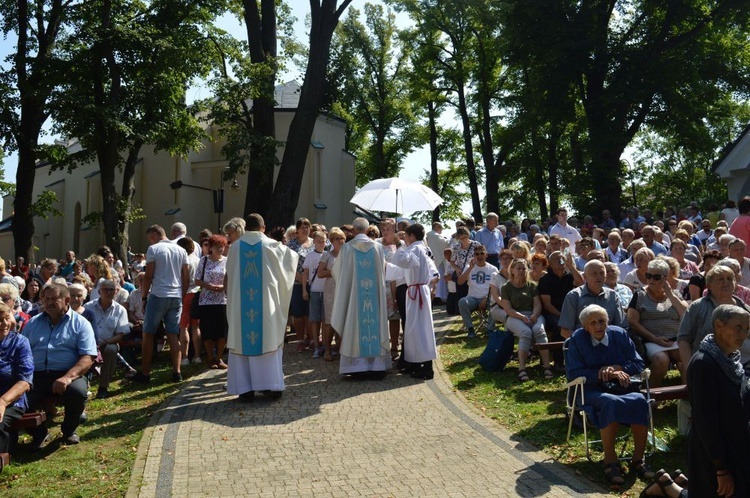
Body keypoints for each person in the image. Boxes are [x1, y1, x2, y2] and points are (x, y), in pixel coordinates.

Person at [566, 305, 654, 485]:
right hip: (591, 389)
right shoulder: (577, 339)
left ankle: (638, 459)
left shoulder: (620, 334)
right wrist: (601, 373)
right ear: (586, 327)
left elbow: (638, 362)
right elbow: (574, 373)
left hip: (621, 387)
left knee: (639, 400)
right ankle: (610, 460)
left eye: (602, 321)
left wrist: (617, 368)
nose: (599, 326)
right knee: (609, 402)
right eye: (593, 323)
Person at [225, 213, 297, 402]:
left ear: (246, 228)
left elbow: (230, 277)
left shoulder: (234, 248)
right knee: (268, 339)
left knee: (243, 341)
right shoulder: (272, 246)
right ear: (263, 227)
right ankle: (270, 387)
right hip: (266, 306)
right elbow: (292, 260)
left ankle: (245, 389)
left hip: (242, 307)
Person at [685, 304, 750, 498]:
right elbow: (706, 420)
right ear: (719, 326)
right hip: (713, 455)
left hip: (738, 448)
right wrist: (720, 469)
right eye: (738, 327)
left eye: (747, 329)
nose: (744, 333)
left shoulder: (733, 362)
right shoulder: (704, 363)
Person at [24, 283, 97, 447]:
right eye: (46, 298)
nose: (48, 303)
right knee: (18, 397)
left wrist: (68, 377)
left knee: (77, 391)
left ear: (66, 300)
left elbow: (88, 356)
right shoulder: (32, 323)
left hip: (68, 372)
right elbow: (22, 353)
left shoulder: (81, 323)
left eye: (54, 299)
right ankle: (40, 433)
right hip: (37, 374)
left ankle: (69, 430)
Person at [128, 225, 189, 384]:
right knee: (173, 335)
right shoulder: (181, 250)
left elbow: (148, 276)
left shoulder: (153, 249)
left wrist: (143, 298)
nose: (150, 240)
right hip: (175, 296)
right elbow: (186, 276)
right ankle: (177, 372)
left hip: (158, 294)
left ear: (154, 234)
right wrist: (180, 296)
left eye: (150, 237)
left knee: (148, 333)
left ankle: (146, 373)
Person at [331, 218, 391, 377]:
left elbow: (337, 273)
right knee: (375, 325)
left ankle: (356, 368)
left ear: (354, 231)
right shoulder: (378, 248)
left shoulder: (347, 249)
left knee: (354, 327)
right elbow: (383, 272)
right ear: (366, 229)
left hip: (355, 301)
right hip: (374, 300)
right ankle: (377, 367)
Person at [678, 265, 750, 373]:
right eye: (721, 279)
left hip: (745, 367)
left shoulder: (744, 308)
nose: (726, 282)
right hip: (710, 368)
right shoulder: (697, 307)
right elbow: (684, 340)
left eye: (729, 279)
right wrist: (691, 370)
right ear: (709, 285)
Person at [627, 259, 687, 387]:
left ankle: (688, 397)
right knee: (661, 360)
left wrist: (670, 294)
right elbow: (632, 321)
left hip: (674, 340)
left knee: (687, 358)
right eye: (648, 276)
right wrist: (654, 339)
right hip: (651, 340)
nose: (651, 280)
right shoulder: (640, 295)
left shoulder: (675, 294)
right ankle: (651, 396)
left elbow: (685, 315)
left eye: (655, 277)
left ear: (665, 278)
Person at [391, 224, 438, 379]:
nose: (404, 238)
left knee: (418, 329)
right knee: (416, 328)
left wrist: (398, 244)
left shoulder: (416, 249)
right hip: (418, 290)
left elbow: (402, 261)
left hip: (416, 291)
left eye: (406, 236)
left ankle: (425, 366)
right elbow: (432, 271)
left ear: (412, 236)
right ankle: (416, 363)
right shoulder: (422, 248)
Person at [501, 258, 553, 381]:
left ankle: (546, 366)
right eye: (518, 268)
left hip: (533, 314)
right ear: (512, 270)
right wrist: (521, 317)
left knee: (539, 331)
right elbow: (507, 309)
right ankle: (522, 368)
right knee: (526, 333)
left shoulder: (532, 285)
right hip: (514, 317)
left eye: (524, 268)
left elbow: (537, 304)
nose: (521, 271)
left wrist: (535, 315)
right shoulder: (506, 287)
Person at [84, 279, 129, 399]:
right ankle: (83, 386)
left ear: (116, 292)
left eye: (112, 290)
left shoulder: (120, 310)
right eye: (106, 290)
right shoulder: (88, 307)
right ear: (99, 292)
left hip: (108, 342)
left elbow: (121, 334)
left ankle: (103, 387)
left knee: (111, 349)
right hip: (88, 343)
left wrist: (107, 342)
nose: (109, 292)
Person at [559, 260, 627, 338]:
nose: (598, 277)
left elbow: (622, 326)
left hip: (609, 343)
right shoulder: (574, 296)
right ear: (585, 277)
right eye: (594, 273)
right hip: (583, 343)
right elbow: (565, 331)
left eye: (601, 273)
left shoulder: (612, 295)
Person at [538, 251, 583, 368]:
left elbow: (581, 283)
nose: (560, 260)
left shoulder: (569, 277)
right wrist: (562, 316)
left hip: (570, 312)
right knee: (560, 326)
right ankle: (559, 361)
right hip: (552, 313)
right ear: (550, 264)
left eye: (562, 258)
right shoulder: (545, 280)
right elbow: (547, 304)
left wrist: (571, 266)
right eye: (556, 259)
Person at [0, 302, 33, 455]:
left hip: (12, 399)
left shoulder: (19, 342)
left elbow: (25, 381)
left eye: (7, 318)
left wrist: (2, 402)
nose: (4, 324)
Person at [195, 235, 228, 369]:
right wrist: (209, 286)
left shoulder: (227, 261)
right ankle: (210, 357)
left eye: (222, 246)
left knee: (222, 331)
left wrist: (223, 287)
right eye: (217, 246)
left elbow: (231, 278)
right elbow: (197, 279)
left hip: (222, 301)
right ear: (211, 248)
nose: (220, 249)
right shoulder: (203, 261)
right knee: (207, 331)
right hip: (206, 301)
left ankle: (219, 358)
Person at [317, 228, 345, 362]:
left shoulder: (347, 255)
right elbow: (320, 273)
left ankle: (342, 349)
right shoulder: (327, 255)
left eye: (342, 238)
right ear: (332, 241)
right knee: (329, 321)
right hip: (331, 291)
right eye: (337, 239)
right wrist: (334, 272)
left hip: (344, 290)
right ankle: (327, 349)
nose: (340, 241)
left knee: (343, 319)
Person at [457, 245, 498, 339]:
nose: (479, 256)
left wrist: (485, 299)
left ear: (486, 255)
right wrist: (470, 268)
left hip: (487, 298)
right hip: (473, 298)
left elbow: (495, 288)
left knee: (495, 302)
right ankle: (470, 329)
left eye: (482, 253)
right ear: (474, 256)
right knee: (462, 302)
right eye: (477, 254)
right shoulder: (469, 267)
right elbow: (460, 282)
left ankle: (489, 329)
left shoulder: (493, 269)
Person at [288, 217, 314, 352]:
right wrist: (300, 278)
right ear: (297, 230)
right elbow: (287, 264)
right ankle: (300, 339)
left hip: (313, 283)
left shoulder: (315, 244)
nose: (305, 229)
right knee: (298, 313)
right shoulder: (291, 245)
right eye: (302, 227)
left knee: (311, 312)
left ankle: (312, 338)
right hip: (297, 283)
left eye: (307, 227)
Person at [302, 230, 328, 359]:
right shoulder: (310, 256)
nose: (322, 244)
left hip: (327, 291)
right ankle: (316, 345)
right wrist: (304, 290)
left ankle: (325, 344)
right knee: (314, 319)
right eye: (319, 241)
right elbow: (305, 274)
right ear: (314, 242)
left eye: (324, 241)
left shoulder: (328, 255)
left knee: (325, 319)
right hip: (315, 291)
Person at [425, 221, 450, 303]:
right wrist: (452, 238)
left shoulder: (427, 235)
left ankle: (433, 296)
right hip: (437, 261)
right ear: (437, 227)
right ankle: (438, 296)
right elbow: (446, 244)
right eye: (441, 228)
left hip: (430, 260)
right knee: (439, 279)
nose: (441, 231)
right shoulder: (435, 235)